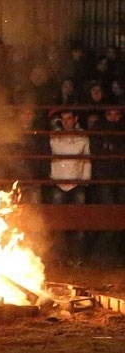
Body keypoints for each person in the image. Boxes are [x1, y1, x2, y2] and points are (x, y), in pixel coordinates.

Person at [48, 108, 91, 266]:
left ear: (75, 119)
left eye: (69, 118)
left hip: (77, 183)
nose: (66, 122)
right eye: (63, 119)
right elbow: (51, 155)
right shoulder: (55, 137)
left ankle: (77, 258)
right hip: (59, 183)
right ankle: (60, 257)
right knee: (58, 222)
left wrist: (85, 179)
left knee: (79, 222)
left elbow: (87, 159)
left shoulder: (82, 138)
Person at [89, 107, 125, 267]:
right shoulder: (99, 128)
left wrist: (111, 148)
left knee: (120, 216)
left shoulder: (120, 128)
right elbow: (97, 151)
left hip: (121, 178)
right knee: (109, 215)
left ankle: (112, 255)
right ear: (105, 115)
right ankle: (101, 254)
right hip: (105, 178)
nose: (113, 118)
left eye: (116, 114)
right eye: (110, 114)